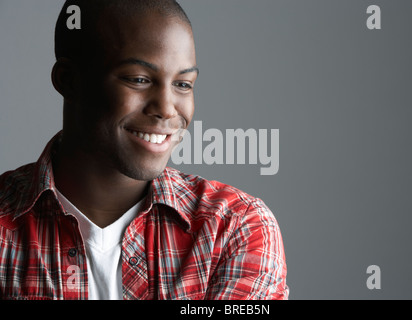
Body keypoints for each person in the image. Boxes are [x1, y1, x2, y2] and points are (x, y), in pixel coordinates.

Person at [0, 0, 288, 300]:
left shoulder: (234, 228)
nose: (166, 109)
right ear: (69, 80)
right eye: (139, 79)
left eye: (183, 84)